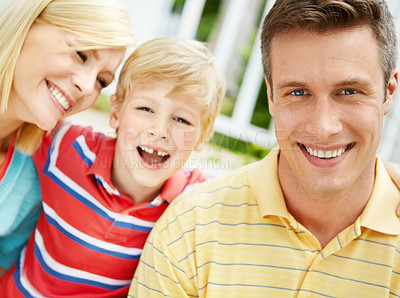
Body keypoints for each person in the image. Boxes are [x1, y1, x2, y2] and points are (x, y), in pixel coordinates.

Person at [130, 0, 400, 296]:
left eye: (349, 92)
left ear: (389, 91)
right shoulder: (190, 227)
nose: (324, 126)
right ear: (271, 96)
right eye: (298, 92)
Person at [0, 37, 226, 297]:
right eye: (145, 108)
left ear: (202, 136)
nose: (159, 131)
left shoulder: (193, 200)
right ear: (116, 111)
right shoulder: (67, 146)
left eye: (181, 119)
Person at [0, 0, 134, 277]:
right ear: (29, 22)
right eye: (81, 55)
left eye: (102, 81)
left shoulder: (35, 173)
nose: (86, 86)